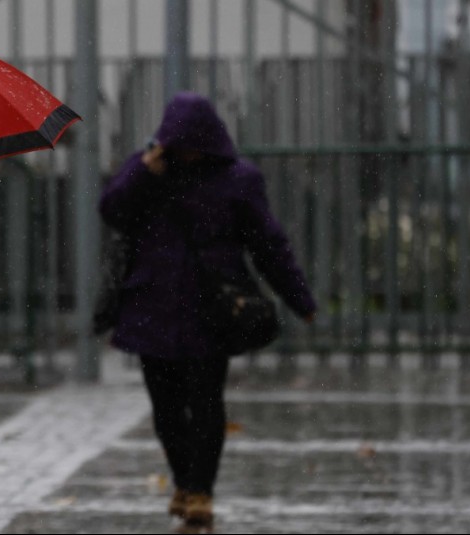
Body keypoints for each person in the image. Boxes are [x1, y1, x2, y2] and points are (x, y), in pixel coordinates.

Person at [98, 92, 317, 533]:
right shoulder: (145, 170)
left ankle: (200, 491)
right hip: (151, 308)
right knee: (165, 407)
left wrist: (298, 298)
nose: (185, 152)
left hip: (210, 310)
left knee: (204, 402)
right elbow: (112, 210)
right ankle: (184, 481)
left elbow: (267, 244)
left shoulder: (237, 180)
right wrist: (143, 174)